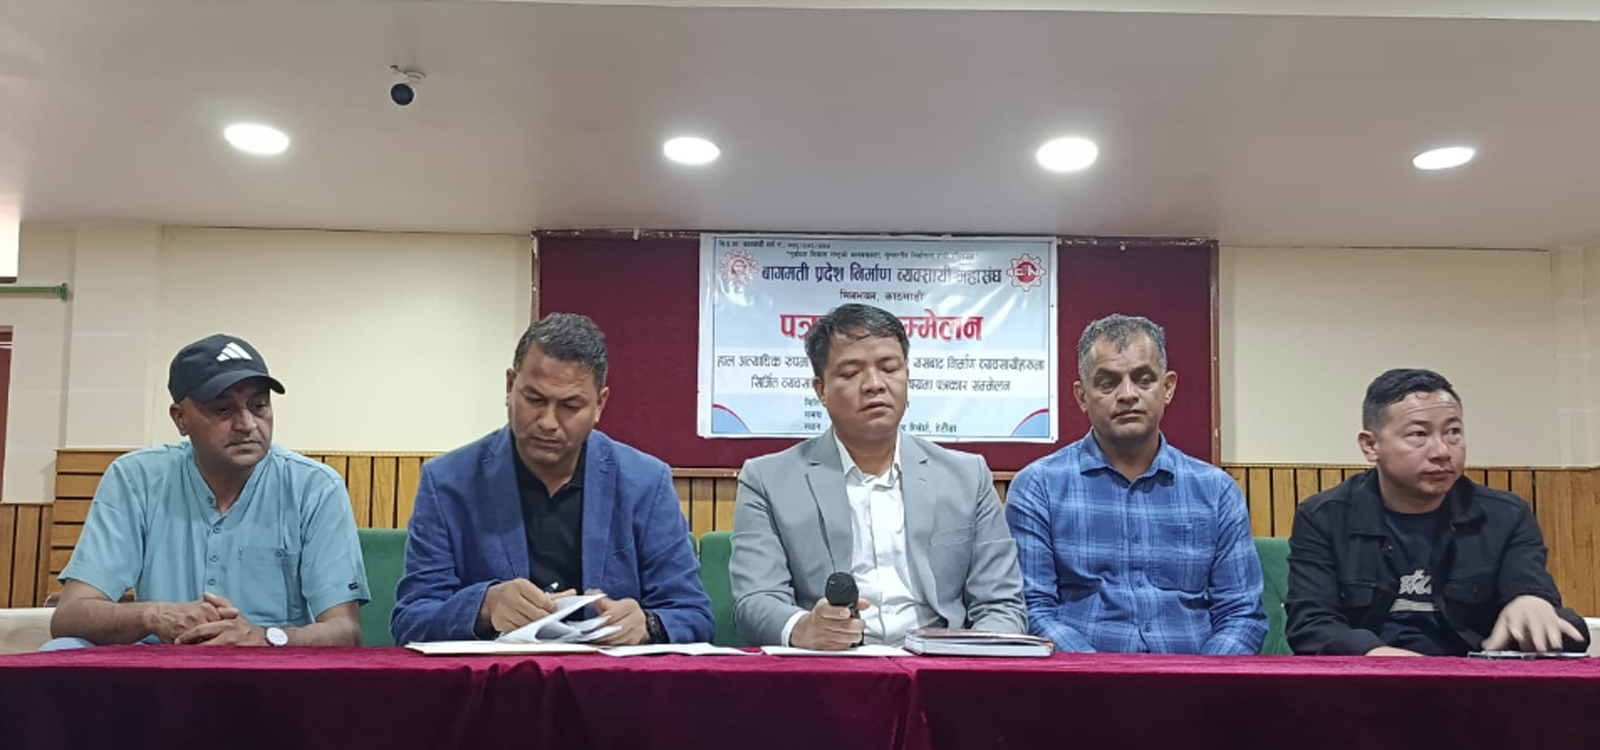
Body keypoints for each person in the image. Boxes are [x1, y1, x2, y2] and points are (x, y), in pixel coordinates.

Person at [391, 313, 711, 645]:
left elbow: (693, 614)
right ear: (510, 386)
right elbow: (411, 620)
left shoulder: (645, 482)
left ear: (599, 404)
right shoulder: (447, 483)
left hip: (609, 675)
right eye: (534, 399)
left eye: (570, 406)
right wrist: (484, 608)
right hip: (496, 676)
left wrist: (648, 625)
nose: (548, 422)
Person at [730, 303, 1026, 649]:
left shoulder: (966, 476)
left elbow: (1001, 604)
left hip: (941, 664)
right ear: (821, 389)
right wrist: (803, 627)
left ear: (907, 376)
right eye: (851, 373)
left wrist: (970, 660)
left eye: (889, 368)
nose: (874, 385)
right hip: (829, 663)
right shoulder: (767, 480)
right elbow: (756, 599)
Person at [48, 334, 368, 649]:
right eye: (222, 410)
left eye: (259, 406)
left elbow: (345, 631)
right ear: (180, 419)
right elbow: (70, 616)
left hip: (272, 667)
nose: (247, 424)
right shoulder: (135, 479)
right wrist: (153, 615)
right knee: (60, 650)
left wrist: (264, 637)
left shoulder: (315, 487)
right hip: (160, 665)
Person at [1006, 314, 1265, 653]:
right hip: (1079, 680)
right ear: (1082, 396)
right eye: (1108, 383)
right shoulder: (1038, 487)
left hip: (1198, 679)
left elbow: (1241, 614)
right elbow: (1033, 609)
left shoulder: (1217, 491)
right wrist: (1099, 675)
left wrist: (1200, 678)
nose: (1128, 394)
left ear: (1167, 387)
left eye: (1143, 379)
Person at [1286, 368, 1589, 656]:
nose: (1442, 451)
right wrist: (1378, 658)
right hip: (1367, 680)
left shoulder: (1507, 516)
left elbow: (1530, 588)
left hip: (1475, 681)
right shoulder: (1324, 516)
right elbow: (1311, 622)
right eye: (1418, 434)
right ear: (1370, 445)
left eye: (1453, 432)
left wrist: (1531, 601)